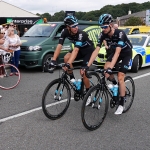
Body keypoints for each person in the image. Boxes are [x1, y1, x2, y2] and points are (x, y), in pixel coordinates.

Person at [83, 14, 132, 115]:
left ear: (110, 25)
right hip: (115, 53)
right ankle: (115, 86)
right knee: (106, 68)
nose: (103, 29)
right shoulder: (102, 35)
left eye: (105, 27)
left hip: (126, 53)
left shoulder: (120, 33)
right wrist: (87, 65)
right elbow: (96, 50)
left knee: (120, 76)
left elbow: (118, 52)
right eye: (101, 27)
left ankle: (121, 103)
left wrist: (111, 68)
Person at [51, 15, 95, 96]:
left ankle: (88, 92)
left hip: (88, 51)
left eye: (76, 25)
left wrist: (68, 64)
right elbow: (59, 45)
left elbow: (76, 50)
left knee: (83, 72)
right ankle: (73, 80)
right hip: (79, 50)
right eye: (73, 26)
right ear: (68, 27)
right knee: (66, 57)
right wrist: (53, 59)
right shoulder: (64, 31)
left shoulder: (81, 34)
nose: (76, 28)